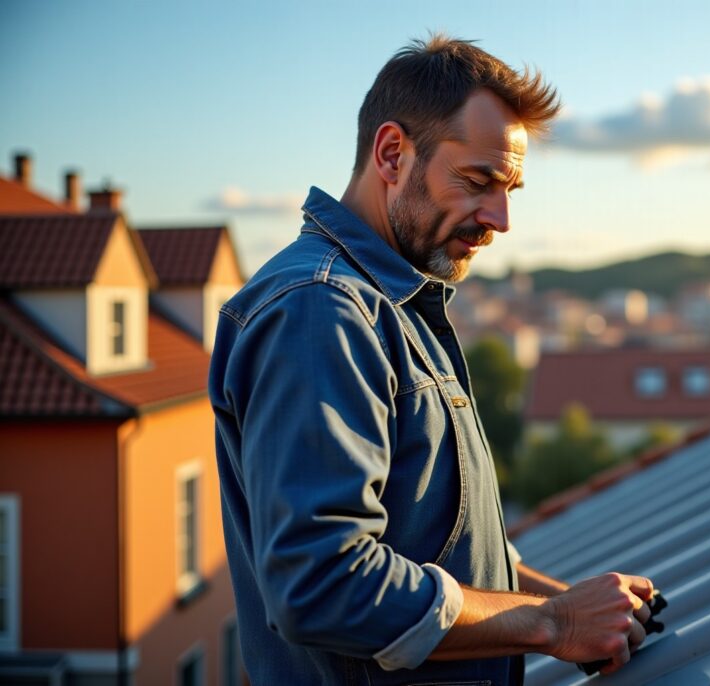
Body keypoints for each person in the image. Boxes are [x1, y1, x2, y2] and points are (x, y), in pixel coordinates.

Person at [209, 35, 655, 685]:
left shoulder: (394, 303)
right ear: (393, 153)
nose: (500, 218)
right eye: (478, 182)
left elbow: (442, 552)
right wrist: (553, 625)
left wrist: (576, 608)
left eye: (511, 190)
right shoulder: (321, 312)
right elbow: (323, 582)